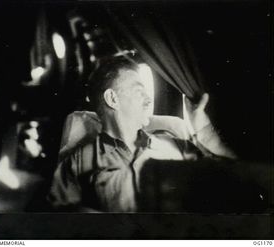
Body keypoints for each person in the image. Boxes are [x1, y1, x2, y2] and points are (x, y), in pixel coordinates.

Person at [47, 57, 236, 212]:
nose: (148, 100)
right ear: (112, 99)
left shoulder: (179, 146)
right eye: (139, 91)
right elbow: (52, 221)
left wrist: (205, 131)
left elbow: (236, 178)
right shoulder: (76, 163)